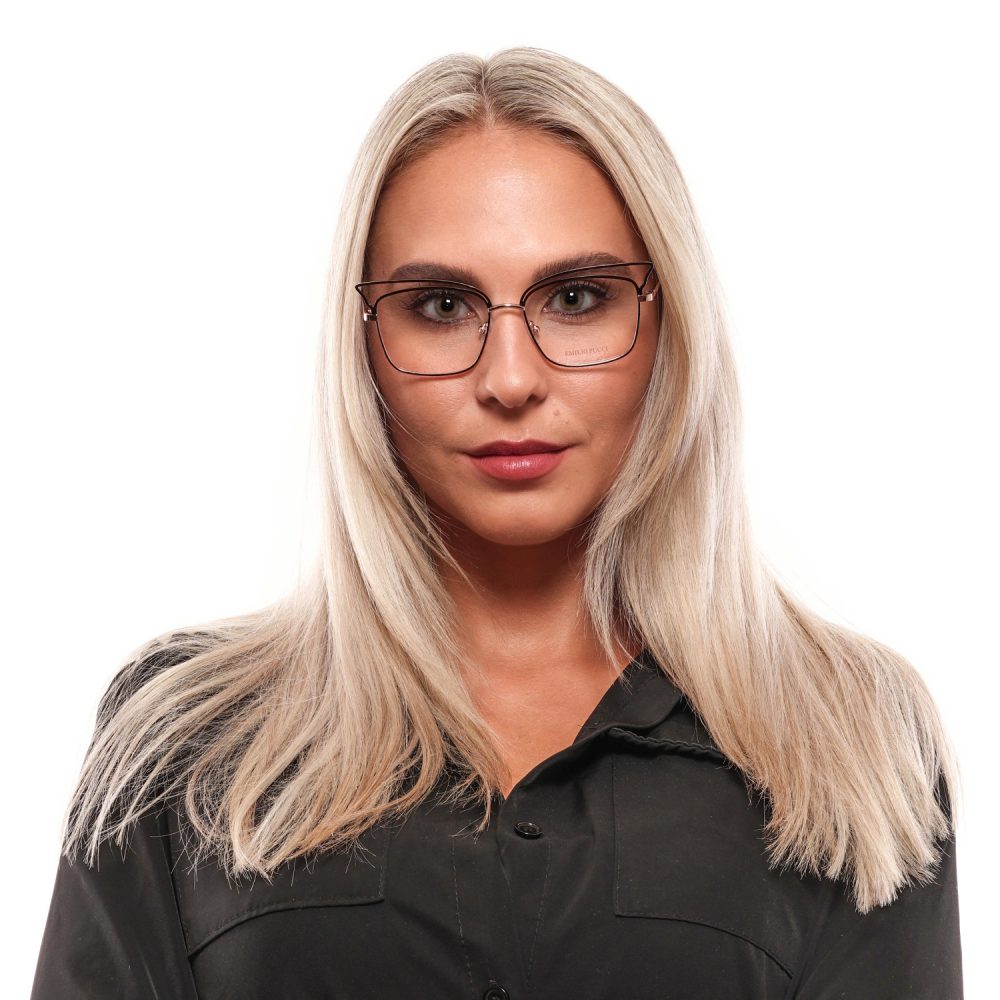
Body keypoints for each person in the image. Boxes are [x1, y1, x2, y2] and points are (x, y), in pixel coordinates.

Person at [30, 46, 963, 999]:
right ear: (364, 348)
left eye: (577, 299)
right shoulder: (184, 737)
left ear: (670, 326)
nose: (511, 379)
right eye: (440, 306)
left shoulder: (851, 736)